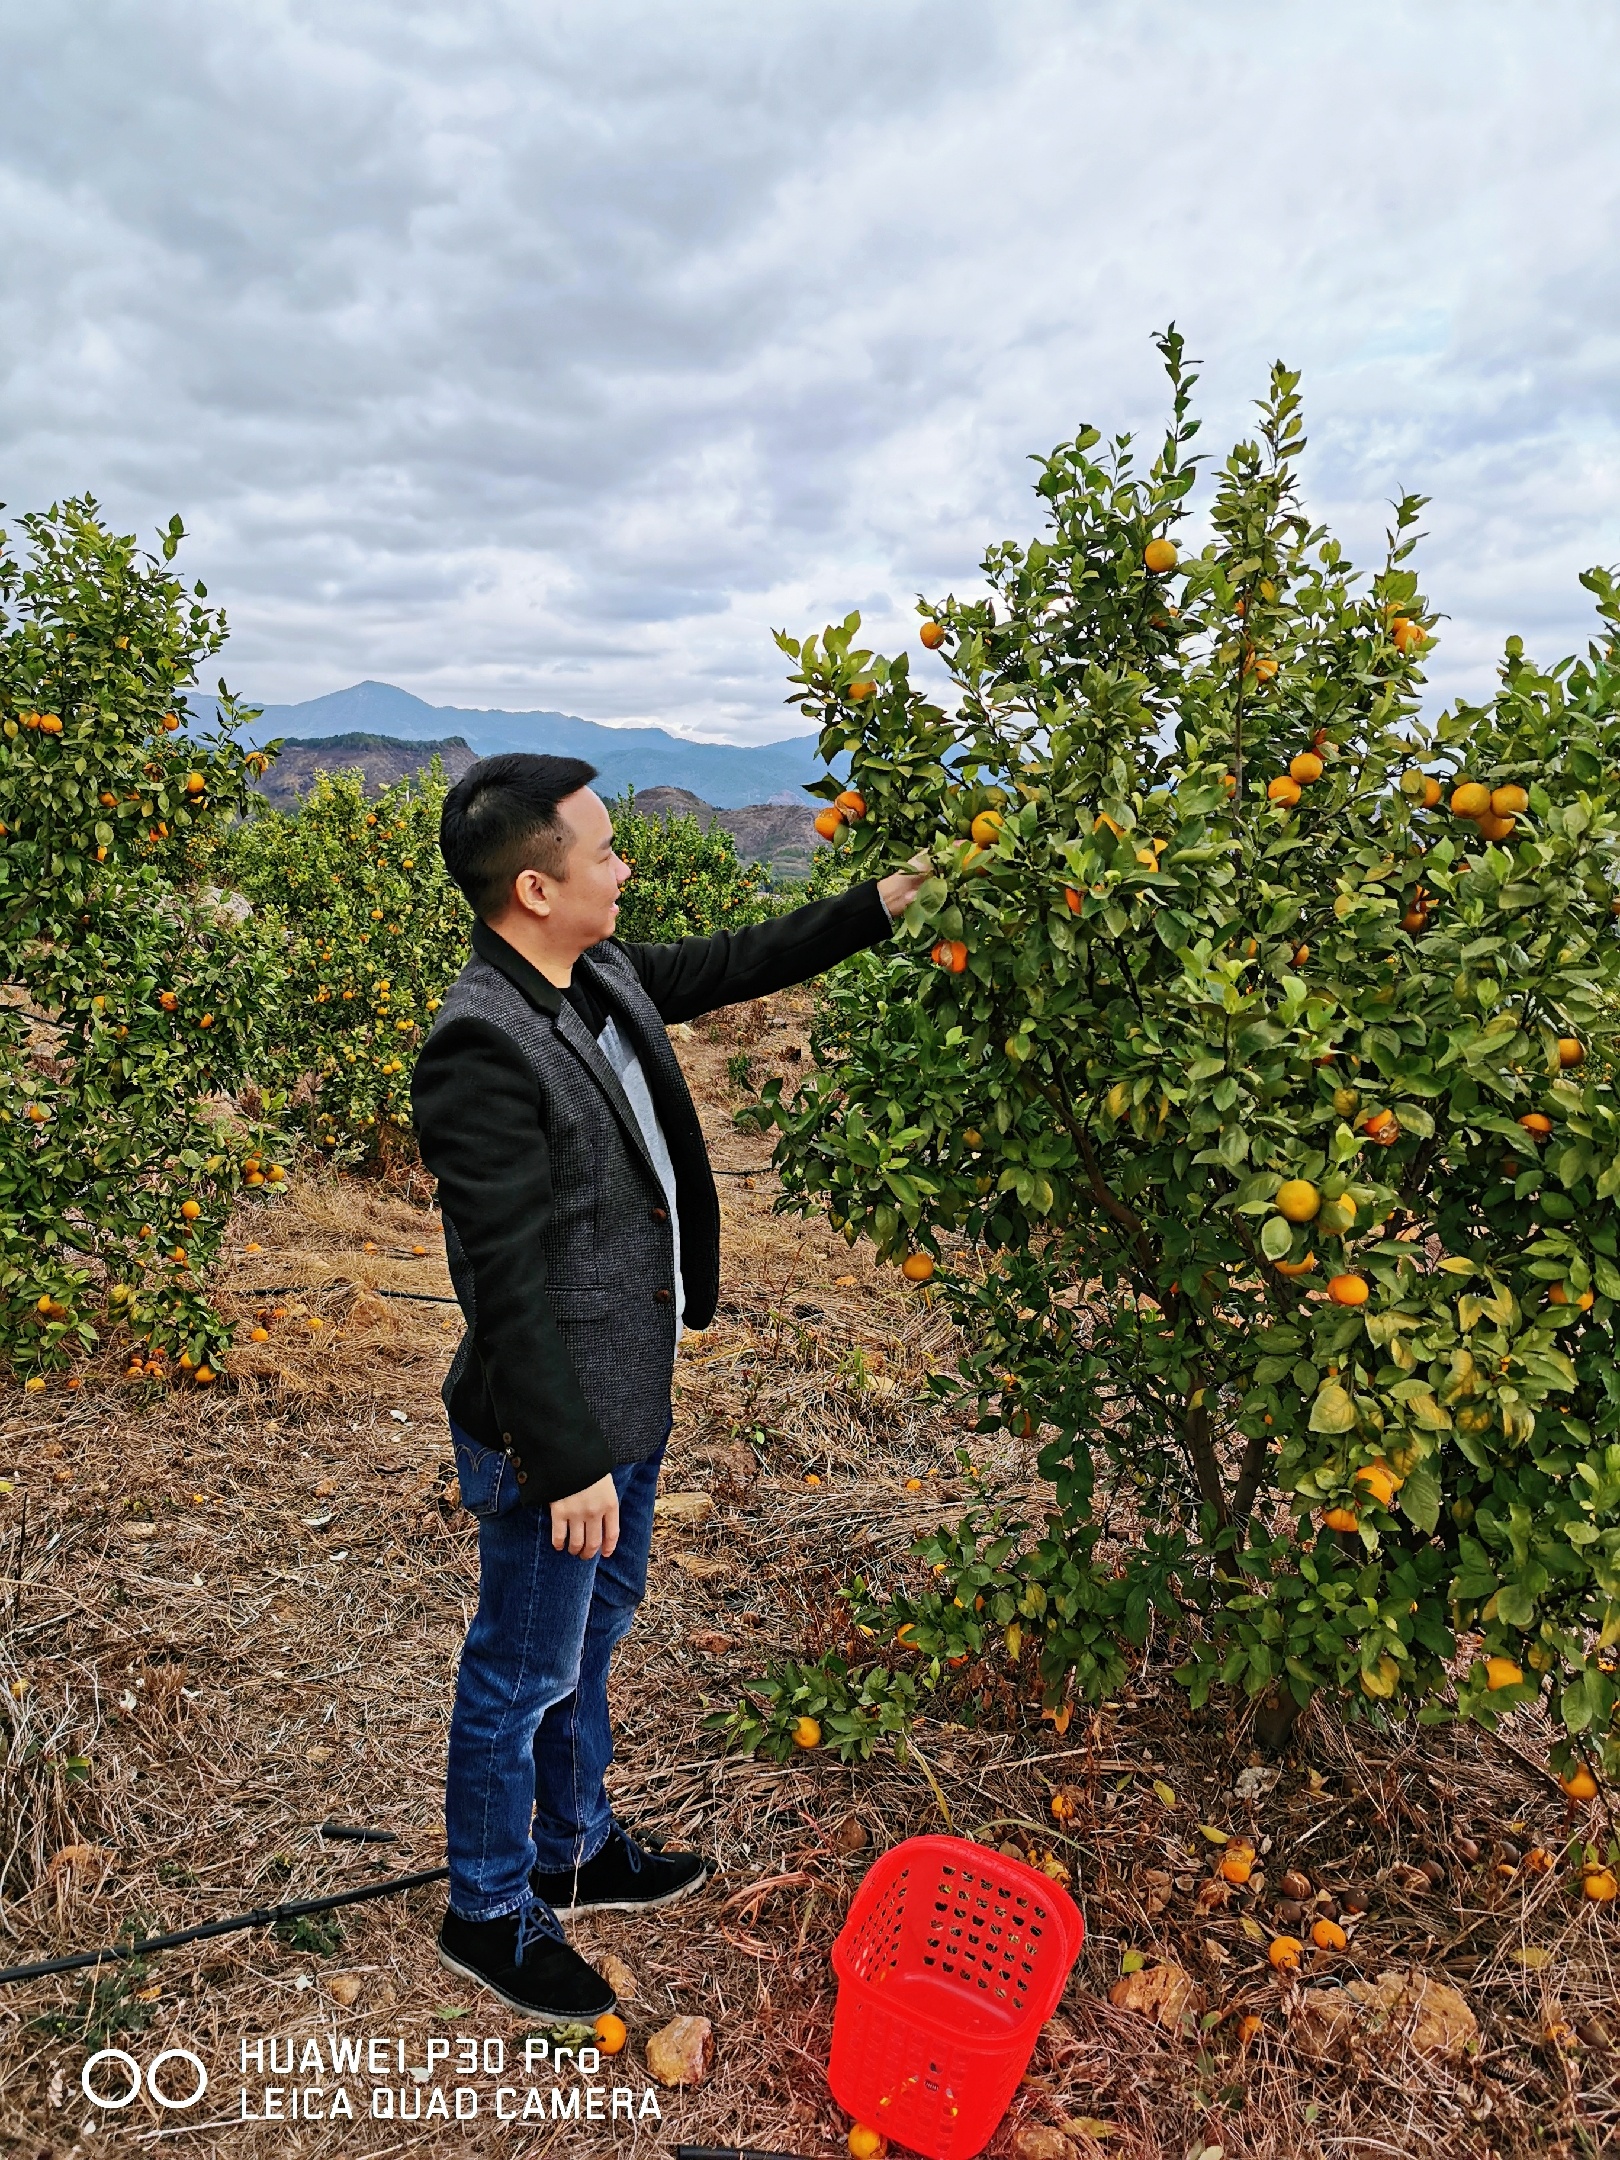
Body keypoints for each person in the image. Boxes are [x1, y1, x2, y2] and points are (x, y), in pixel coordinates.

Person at [410, 752, 927, 2018]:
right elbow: (505, 1285)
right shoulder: (481, 1047)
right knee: (522, 1662)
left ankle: (574, 1848)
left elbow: (744, 958)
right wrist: (566, 1458)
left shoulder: (602, 976)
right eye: (602, 851)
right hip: (562, 1425)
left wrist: (892, 898)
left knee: (592, 1632)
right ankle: (486, 1909)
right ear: (535, 886)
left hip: (630, 1387)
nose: (624, 865)